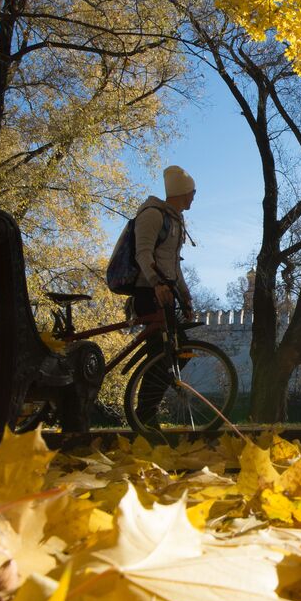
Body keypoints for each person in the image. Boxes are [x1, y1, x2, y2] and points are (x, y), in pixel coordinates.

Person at [130, 166, 196, 421]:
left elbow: (174, 266)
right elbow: (143, 253)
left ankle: (147, 409)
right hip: (148, 292)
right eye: (192, 192)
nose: (194, 197)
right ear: (182, 191)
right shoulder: (152, 214)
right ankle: (146, 415)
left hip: (166, 294)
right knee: (160, 354)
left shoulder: (176, 220)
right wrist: (156, 283)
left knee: (180, 351)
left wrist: (186, 296)